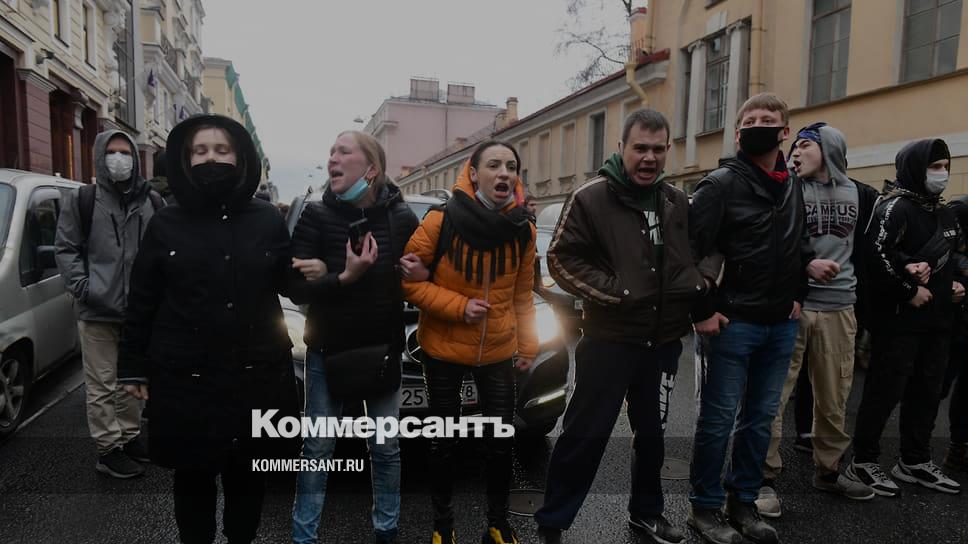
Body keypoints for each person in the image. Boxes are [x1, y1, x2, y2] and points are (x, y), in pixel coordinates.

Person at [117, 114, 299, 544]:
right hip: (186, 377)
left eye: (222, 150)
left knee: (248, 476)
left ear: (240, 157)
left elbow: (290, 285)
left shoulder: (267, 220)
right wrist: (132, 365)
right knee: (193, 478)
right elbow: (142, 299)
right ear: (185, 159)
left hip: (255, 375)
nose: (211, 159)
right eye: (200, 151)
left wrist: (334, 273)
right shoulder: (167, 222)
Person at [533, 109, 708, 544]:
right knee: (585, 434)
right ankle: (553, 520)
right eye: (640, 148)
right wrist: (617, 292)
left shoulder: (676, 200)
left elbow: (698, 253)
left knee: (653, 437)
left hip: (663, 342)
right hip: (609, 341)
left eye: (658, 149)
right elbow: (561, 259)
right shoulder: (591, 197)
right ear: (621, 148)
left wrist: (700, 286)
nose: (649, 157)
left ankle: (646, 514)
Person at [688, 93, 813, 544]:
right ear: (739, 133)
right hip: (732, 323)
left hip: (780, 323)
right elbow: (691, 252)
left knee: (760, 420)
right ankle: (704, 509)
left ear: (784, 131)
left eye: (768, 119)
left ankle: (743, 503)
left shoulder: (793, 185)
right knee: (718, 420)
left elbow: (799, 243)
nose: (759, 125)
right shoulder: (719, 185)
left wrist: (799, 295)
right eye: (750, 120)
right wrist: (703, 310)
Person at [402, 139, 537, 544]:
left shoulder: (524, 229)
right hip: (442, 350)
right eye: (494, 165)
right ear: (474, 174)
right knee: (443, 442)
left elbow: (522, 296)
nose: (504, 173)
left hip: (497, 352)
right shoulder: (440, 221)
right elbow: (409, 284)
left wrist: (528, 345)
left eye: (510, 166)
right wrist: (460, 307)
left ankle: (497, 524)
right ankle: (443, 527)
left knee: (500, 443)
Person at [289, 131, 419, 544]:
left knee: (385, 447)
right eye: (331, 152)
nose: (333, 158)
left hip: (382, 350)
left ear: (371, 168)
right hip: (327, 351)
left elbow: (420, 279)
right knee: (318, 447)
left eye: (343, 152)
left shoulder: (401, 217)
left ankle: (387, 531)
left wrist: (421, 274)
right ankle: (303, 536)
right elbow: (294, 289)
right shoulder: (315, 215)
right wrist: (345, 276)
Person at [755, 123, 878, 519]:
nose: (795, 152)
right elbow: (772, 244)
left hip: (840, 308)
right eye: (794, 146)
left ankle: (829, 470)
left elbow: (867, 251)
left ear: (830, 149)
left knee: (834, 395)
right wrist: (802, 269)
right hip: (793, 307)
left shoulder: (861, 194)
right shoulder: (787, 190)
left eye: (805, 145)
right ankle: (762, 478)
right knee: (773, 396)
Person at [846, 138, 963, 496]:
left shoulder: (944, 212)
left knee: (927, 394)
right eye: (934, 167)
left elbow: (954, 255)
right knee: (884, 392)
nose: (942, 174)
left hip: (939, 322)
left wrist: (956, 281)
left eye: (945, 167)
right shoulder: (894, 208)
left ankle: (914, 460)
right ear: (915, 167)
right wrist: (908, 290)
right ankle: (863, 461)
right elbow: (875, 256)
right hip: (899, 322)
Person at [54, 129, 164, 479]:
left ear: (135, 158)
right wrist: (85, 288)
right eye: (112, 152)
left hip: (138, 312)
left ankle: (129, 437)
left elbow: (162, 252)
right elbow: (66, 248)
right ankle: (108, 449)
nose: (119, 159)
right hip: (97, 311)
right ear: (100, 157)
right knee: (101, 384)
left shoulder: (150, 201)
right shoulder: (83, 200)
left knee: (132, 379)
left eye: (126, 152)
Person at [943, 196, 968, 474]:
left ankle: (958, 448)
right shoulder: (960, 208)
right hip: (954, 318)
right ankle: (913, 452)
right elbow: (942, 248)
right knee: (935, 386)